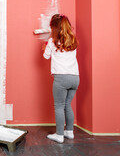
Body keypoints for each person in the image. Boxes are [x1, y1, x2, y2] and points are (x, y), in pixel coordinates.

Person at [43, 14, 79, 143]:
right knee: (67, 104)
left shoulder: (52, 41)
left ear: (54, 27)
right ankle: (69, 132)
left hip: (61, 78)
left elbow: (46, 56)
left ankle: (59, 135)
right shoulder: (73, 39)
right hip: (75, 78)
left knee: (59, 106)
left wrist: (45, 46)